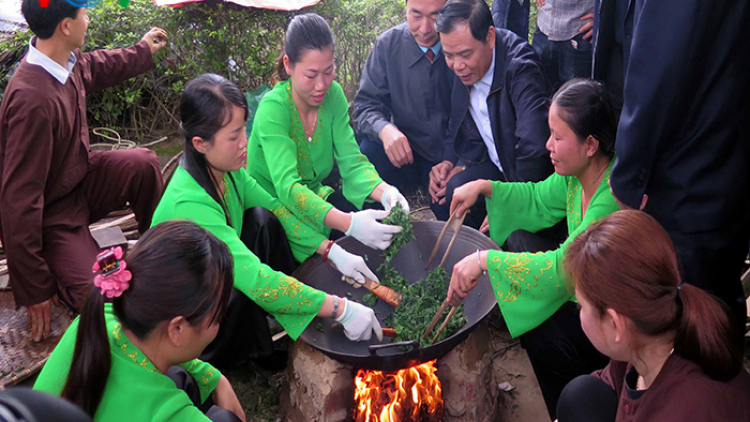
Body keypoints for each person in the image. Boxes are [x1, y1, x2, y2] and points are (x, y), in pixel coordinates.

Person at [152, 74, 383, 368]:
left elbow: (277, 209)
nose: (244, 144)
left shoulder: (227, 171)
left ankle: (267, 340)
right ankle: (219, 358)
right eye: (233, 137)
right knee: (242, 284)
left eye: (243, 132)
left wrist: (330, 250)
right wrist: (339, 308)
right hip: (184, 313)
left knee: (264, 220)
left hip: (216, 281)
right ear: (200, 143)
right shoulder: (189, 202)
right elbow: (256, 279)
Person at [446, 79, 620, 419]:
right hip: (583, 294)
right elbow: (538, 199)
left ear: (590, 145)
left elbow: (562, 268)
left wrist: (484, 260)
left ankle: (570, 400)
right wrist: (484, 187)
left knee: (538, 330)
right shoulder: (576, 176)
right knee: (520, 250)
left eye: (557, 137)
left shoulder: (609, 203)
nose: (548, 145)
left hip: (611, 326)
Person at [0, 0, 166, 342]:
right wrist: (35, 288)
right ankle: (67, 270)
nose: (88, 20)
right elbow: (19, 200)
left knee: (143, 163)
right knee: (99, 295)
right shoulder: (32, 101)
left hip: (80, 178)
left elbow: (98, 66)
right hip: (53, 215)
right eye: (84, 14)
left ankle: (158, 249)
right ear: (65, 26)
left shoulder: (64, 62)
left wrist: (142, 50)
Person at [595, 0, 750, 341]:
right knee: (716, 291)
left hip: (688, 170)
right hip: (721, 153)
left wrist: (627, 180)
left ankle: (705, 382)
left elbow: (658, 69)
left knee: (690, 308)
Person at [33, 221, 245, 422]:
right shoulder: (170, 415)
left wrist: (216, 379)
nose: (218, 326)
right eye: (217, 317)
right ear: (177, 329)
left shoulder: (97, 320)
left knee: (180, 376)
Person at [248, 14, 409, 274]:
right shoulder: (274, 108)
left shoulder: (333, 96)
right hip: (274, 210)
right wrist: (349, 224)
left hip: (313, 198)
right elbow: (288, 188)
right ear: (288, 65)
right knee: (327, 255)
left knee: (376, 222)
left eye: (328, 71)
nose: (321, 85)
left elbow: (352, 161)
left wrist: (386, 192)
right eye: (310, 75)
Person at [557, 210, 750, 422]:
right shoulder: (649, 335)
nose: (580, 314)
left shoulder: (688, 411)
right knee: (581, 394)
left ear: (615, 323)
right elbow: (608, 381)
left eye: (581, 307)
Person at [429, 0, 553, 229]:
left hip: (526, 179)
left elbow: (534, 149)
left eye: (465, 54)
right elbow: (456, 123)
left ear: (490, 37)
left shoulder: (521, 69)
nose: (457, 66)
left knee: (516, 235)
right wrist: (450, 161)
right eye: (449, 55)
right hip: (497, 165)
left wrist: (511, 203)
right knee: (446, 198)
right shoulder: (461, 68)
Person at [352, 0, 454, 191]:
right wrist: (385, 129)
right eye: (416, 16)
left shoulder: (462, 45)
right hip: (406, 155)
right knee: (369, 150)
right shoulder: (388, 45)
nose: (425, 29)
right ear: (405, 9)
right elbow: (364, 107)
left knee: (451, 202)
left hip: (450, 157)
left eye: (436, 17)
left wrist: (453, 161)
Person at [531, 0, 594, 93]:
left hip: (579, 34)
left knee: (576, 100)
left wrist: (603, 18)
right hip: (543, 29)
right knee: (537, 95)